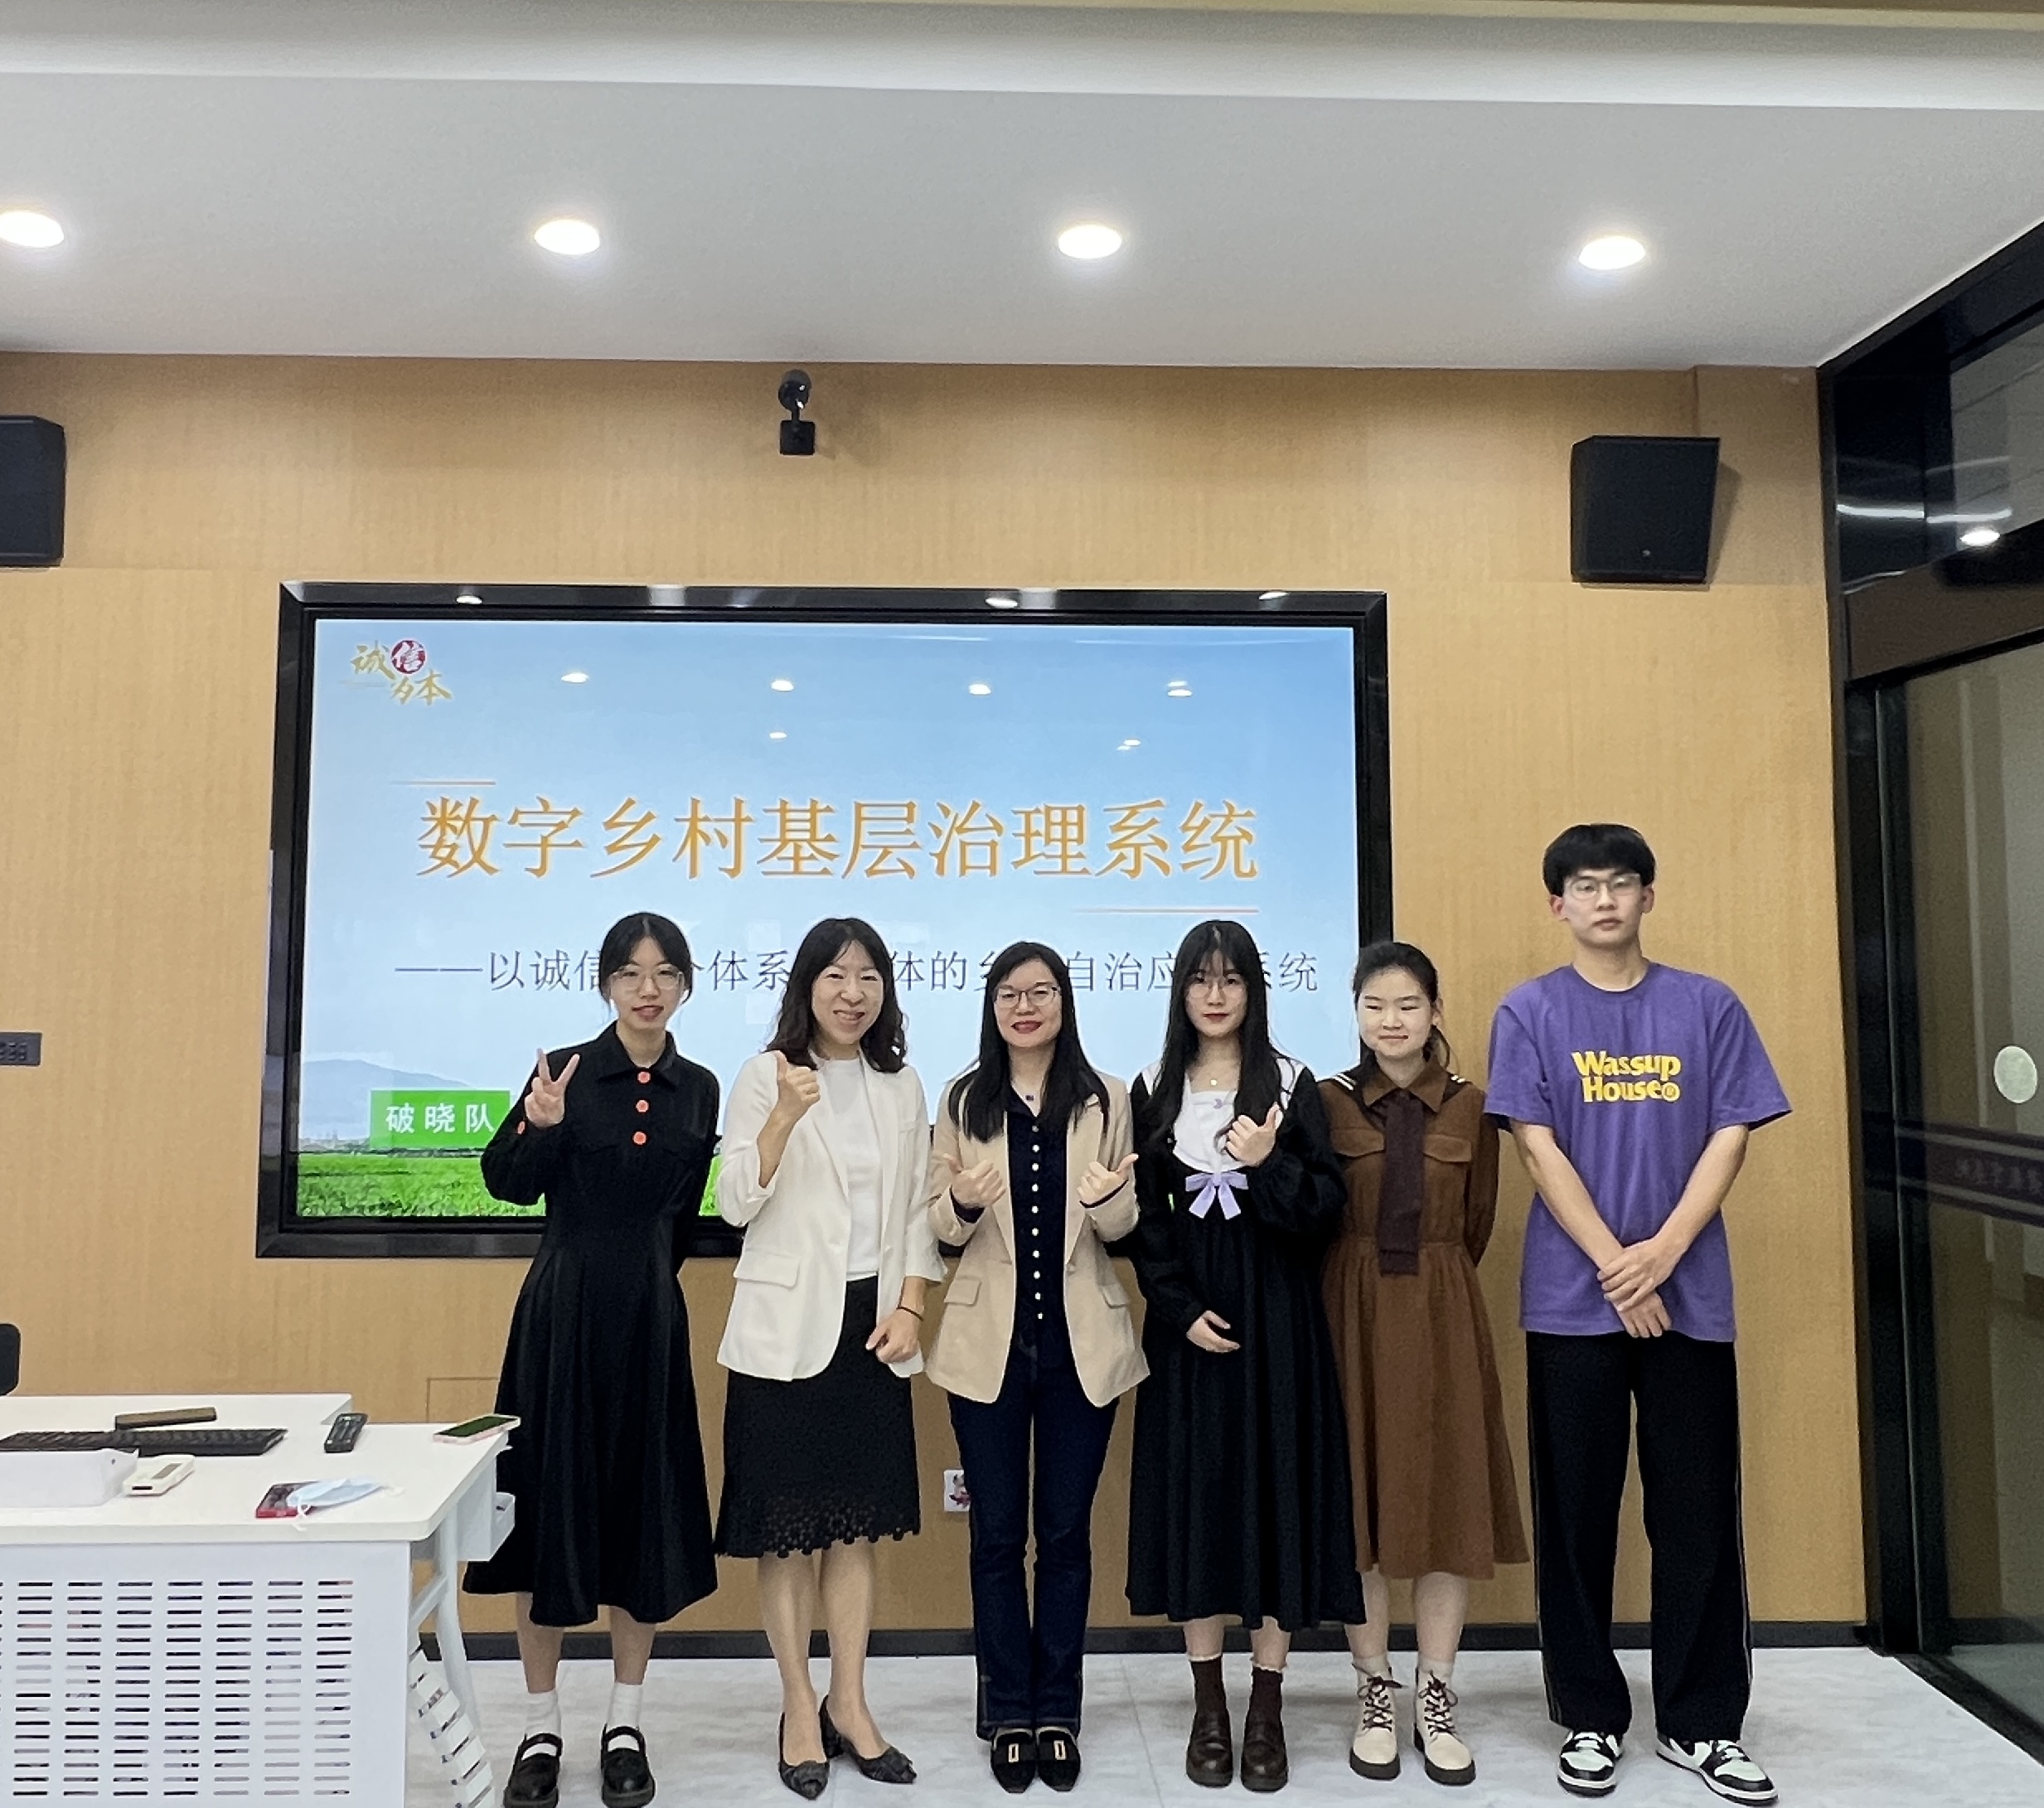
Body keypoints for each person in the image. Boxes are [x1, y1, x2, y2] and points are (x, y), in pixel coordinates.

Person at [1486, 825, 1789, 1807]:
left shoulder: (1709, 1005)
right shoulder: (1529, 1010)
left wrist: (1662, 1253)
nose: (1605, 900)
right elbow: (1535, 1147)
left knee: (1696, 1512)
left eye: (1622, 883)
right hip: (1572, 1303)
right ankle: (1589, 1715)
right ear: (1558, 905)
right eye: (1585, 886)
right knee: (1575, 1514)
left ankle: (1703, 1722)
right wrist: (1620, 1268)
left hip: (1689, 1301)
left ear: (1648, 897)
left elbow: (1732, 1134)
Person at [467, 912, 721, 1808]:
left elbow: (681, 1219)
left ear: (686, 984)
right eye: (630, 972)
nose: (648, 988)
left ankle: (625, 1723)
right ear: (606, 983)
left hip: (650, 1321)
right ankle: (540, 1727)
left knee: (638, 1518)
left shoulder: (701, 1087)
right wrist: (538, 1126)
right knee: (545, 1518)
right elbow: (506, 1183)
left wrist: (647, 1282)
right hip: (561, 1320)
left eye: (665, 972)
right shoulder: (565, 1072)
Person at [1126, 918, 1363, 1794]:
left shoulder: (1292, 1084)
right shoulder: (1153, 1087)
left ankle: (1266, 1706)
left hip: (1279, 1322)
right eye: (1201, 979)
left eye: (1231, 979)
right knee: (1199, 1502)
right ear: (1181, 991)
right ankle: (1209, 1707)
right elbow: (1143, 1222)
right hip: (1189, 1330)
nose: (1216, 994)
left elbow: (1326, 1210)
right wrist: (1178, 1309)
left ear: (1255, 990)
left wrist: (1267, 1165)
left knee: (1275, 1499)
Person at [714, 918, 944, 1799]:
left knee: (853, 1529)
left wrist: (912, 1307)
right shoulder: (763, 1074)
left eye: (869, 976)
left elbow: (916, 1211)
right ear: (806, 985)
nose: (853, 993)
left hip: (871, 1327)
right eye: (836, 976)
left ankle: (849, 1700)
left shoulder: (901, 1082)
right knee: (787, 1534)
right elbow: (735, 1202)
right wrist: (782, 1117)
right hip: (784, 1333)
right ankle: (798, 1706)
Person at [925, 942, 1146, 1796]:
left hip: (1080, 1347)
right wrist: (962, 1202)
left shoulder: (1107, 1096)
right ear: (991, 1006)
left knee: (1064, 1537)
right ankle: (1006, 1711)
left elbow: (1124, 1226)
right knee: (994, 1538)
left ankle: (1058, 1712)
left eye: (1041, 991)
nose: (1025, 1007)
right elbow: (939, 1227)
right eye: (1010, 994)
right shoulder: (962, 1099)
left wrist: (1108, 1200)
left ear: (1064, 1002)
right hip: (987, 1346)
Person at [1320, 941, 1528, 1788]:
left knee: (1447, 1503)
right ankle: (1374, 1691)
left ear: (1436, 1011)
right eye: (1374, 1005)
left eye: (1408, 1004)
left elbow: (1476, 1224)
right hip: (1350, 1313)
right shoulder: (1326, 1101)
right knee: (1360, 1506)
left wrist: (1430, 1280)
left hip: (1443, 1312)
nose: (1391, 1021)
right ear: (1356, 1014)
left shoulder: (1474, 1106)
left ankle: (1435, 1694)